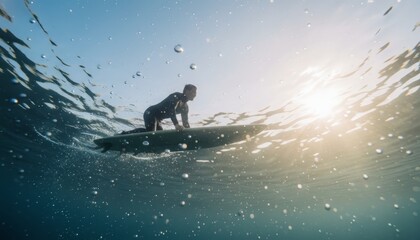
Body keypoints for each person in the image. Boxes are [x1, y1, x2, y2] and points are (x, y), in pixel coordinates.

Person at [121, 84, 197, 134]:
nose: (195, 94)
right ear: (187, 91)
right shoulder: (176, 96)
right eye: (193, 92)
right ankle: (124, 134)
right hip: (150, 113)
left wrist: (191, 135)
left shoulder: (185, 108)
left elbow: (185, 123)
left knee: (159, 136)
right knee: (151, 133)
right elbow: (171, 110)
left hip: (158, 119)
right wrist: (176, 125)